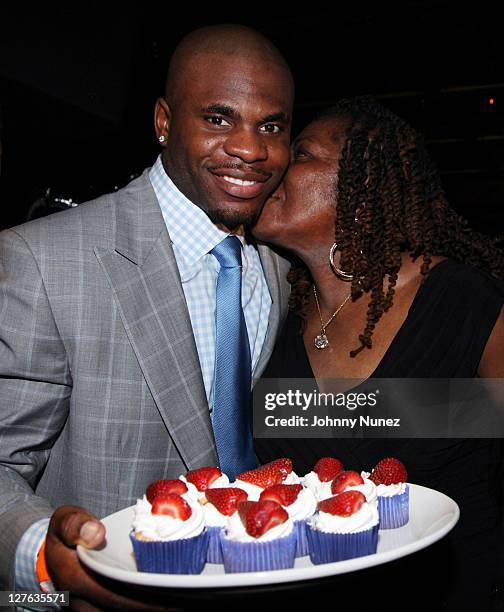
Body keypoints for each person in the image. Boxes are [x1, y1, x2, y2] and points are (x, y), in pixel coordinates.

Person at [0, 24, 293, 609]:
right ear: (163, 122)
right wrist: (45, 556)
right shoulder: (44, 260)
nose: (249, 148)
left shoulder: (283, 266)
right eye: (218, 118)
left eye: (271, 126)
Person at [253, 96, 504, 609]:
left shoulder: (461, 301)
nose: (271, 161)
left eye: (300, 154)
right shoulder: (273, 307)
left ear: (363, 187)